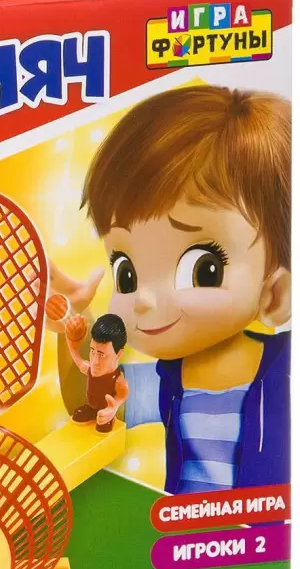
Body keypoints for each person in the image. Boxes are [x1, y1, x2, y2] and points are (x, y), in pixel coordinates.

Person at [50, 86, 290, 494]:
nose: (143, 298)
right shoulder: (168, 380)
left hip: (267, 532)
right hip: (183, 530)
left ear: (276, 294)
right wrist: (74, 320)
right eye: (127, 274)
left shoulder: (287, 366)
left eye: (203, 269)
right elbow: (89, 397)